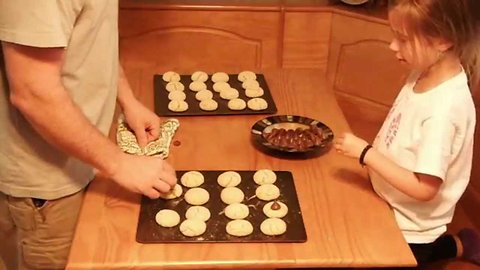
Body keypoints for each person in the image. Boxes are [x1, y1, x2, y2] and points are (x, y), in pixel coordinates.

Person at [0, 1, 177, 269]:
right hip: (49, 186)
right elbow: (33, 94)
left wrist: (128, 101)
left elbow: (91, 38)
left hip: (88, 158)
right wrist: (120, 164)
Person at [334, 0, 480, 268]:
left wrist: (366, 154)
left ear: (442, 40)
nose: (392, 46)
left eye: (402, 39)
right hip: (389, 200)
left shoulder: (443, 112)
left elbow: (424, 189)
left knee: (407, 255)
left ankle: (458, 244)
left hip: (410, 225)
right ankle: (460, 242)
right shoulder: (423, 73)